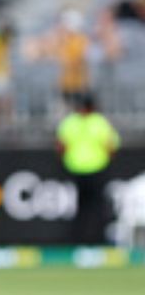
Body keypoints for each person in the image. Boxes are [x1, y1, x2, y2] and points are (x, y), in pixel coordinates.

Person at [58, 94, 120, 244]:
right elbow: (111, 146)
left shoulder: (70, 122)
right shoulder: (99, 122)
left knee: (79, 208)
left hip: (75, 170)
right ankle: (99, 241)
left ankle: (77, 242)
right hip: (97, 170)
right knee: (98, 208)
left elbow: (61, 146)